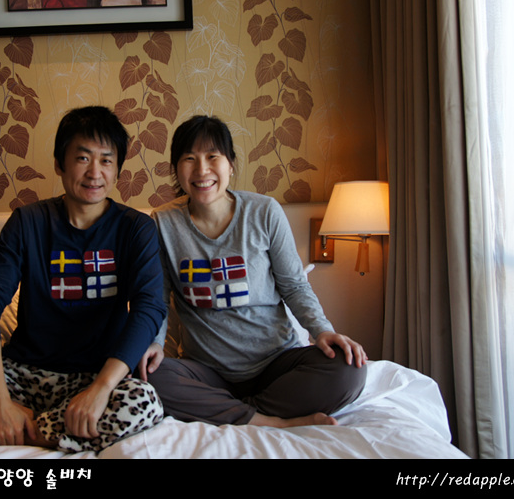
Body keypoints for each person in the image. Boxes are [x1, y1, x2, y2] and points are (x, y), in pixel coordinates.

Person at [0, 106, 167, 452]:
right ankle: (14, 420)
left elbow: (149, 308)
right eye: (82, 158)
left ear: (118, 169)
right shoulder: (28, 222)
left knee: (144, 403)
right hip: (18, 374)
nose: (95, 172)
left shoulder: (135, 228)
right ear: (59, 163)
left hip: (91, 380)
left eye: (106, 161)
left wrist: (101, 389)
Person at [139, 115, 367, 429]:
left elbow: (295, 286)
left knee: (349, 368)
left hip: (276, 365)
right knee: (147, 374)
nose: (202, 170)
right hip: (208, 372)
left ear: (231, 164)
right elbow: (159, 299)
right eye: (189, 159)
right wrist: (154, 343)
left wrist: (323, 331)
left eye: (213, 157)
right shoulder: (163, 223)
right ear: (176, 169)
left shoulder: (264, 212)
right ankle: (268, 420)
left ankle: (231, 411)